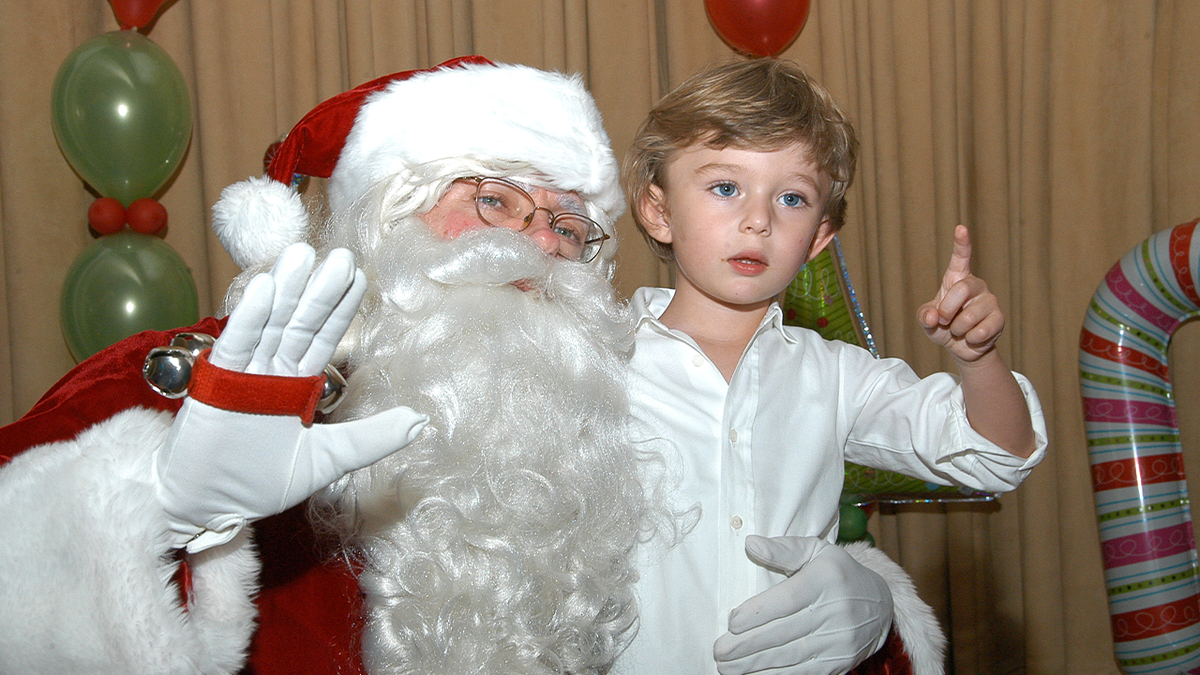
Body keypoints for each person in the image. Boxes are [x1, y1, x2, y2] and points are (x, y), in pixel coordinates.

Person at [0, 56, 913, 675]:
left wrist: (872, 618)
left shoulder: (591, 415)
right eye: (493, 199)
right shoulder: (220, 373)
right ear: (387, 211)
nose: (534, 243)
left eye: (566, 224)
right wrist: (163, 507)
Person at [614, 58, 1048, 675]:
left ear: (818, 236)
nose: (758, 219)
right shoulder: (593, 360)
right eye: (725, 187)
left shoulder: (838, 376)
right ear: (658, 210)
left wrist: (977, 359)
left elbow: (996, 453)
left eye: (791, 198)